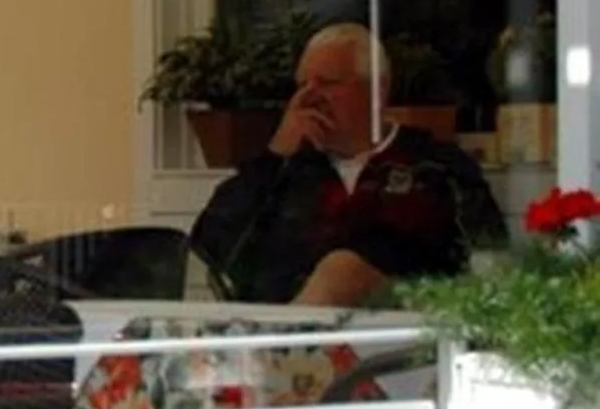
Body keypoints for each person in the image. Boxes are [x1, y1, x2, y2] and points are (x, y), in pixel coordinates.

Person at [191, 21, 505, 306]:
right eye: (301, 85)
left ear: (377, 90)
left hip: (401, 342)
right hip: (280, 332)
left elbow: (491, 265)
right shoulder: (284, 170)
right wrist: (275, 154)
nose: (308, 97)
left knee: (342, 272)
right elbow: (208, 254)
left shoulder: (434, 166)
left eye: (326, 83)